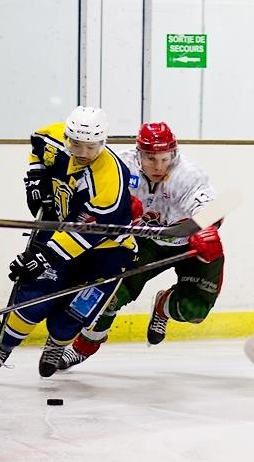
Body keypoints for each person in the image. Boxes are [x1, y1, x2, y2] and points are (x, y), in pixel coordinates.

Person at [0, 106, 137, 379]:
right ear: (67, 137)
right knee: (33, 297)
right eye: (76, 144)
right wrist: (36, 178)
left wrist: (44, 256)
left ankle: (56, 345)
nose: (83, 152)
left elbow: (88, 232)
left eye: (91, 146)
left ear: (103, 142)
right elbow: (37, 144)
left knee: (73, 314)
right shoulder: (54, 140)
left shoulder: (111, 178)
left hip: (107, 252)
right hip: (60, 232)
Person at [59, 121, 225, 370]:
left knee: (194, 311)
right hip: (144, 242)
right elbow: (92, 192)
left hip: (189, 244)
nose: (158, 166)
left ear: (174, 154)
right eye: (150, 158)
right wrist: (112, 211)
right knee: (108, 295)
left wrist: (207, 227)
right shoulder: (121, 165)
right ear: (139, 154)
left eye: (165, 158)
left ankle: (163, 307)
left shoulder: (188, 174)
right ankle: (83, 347)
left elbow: (210, 204)